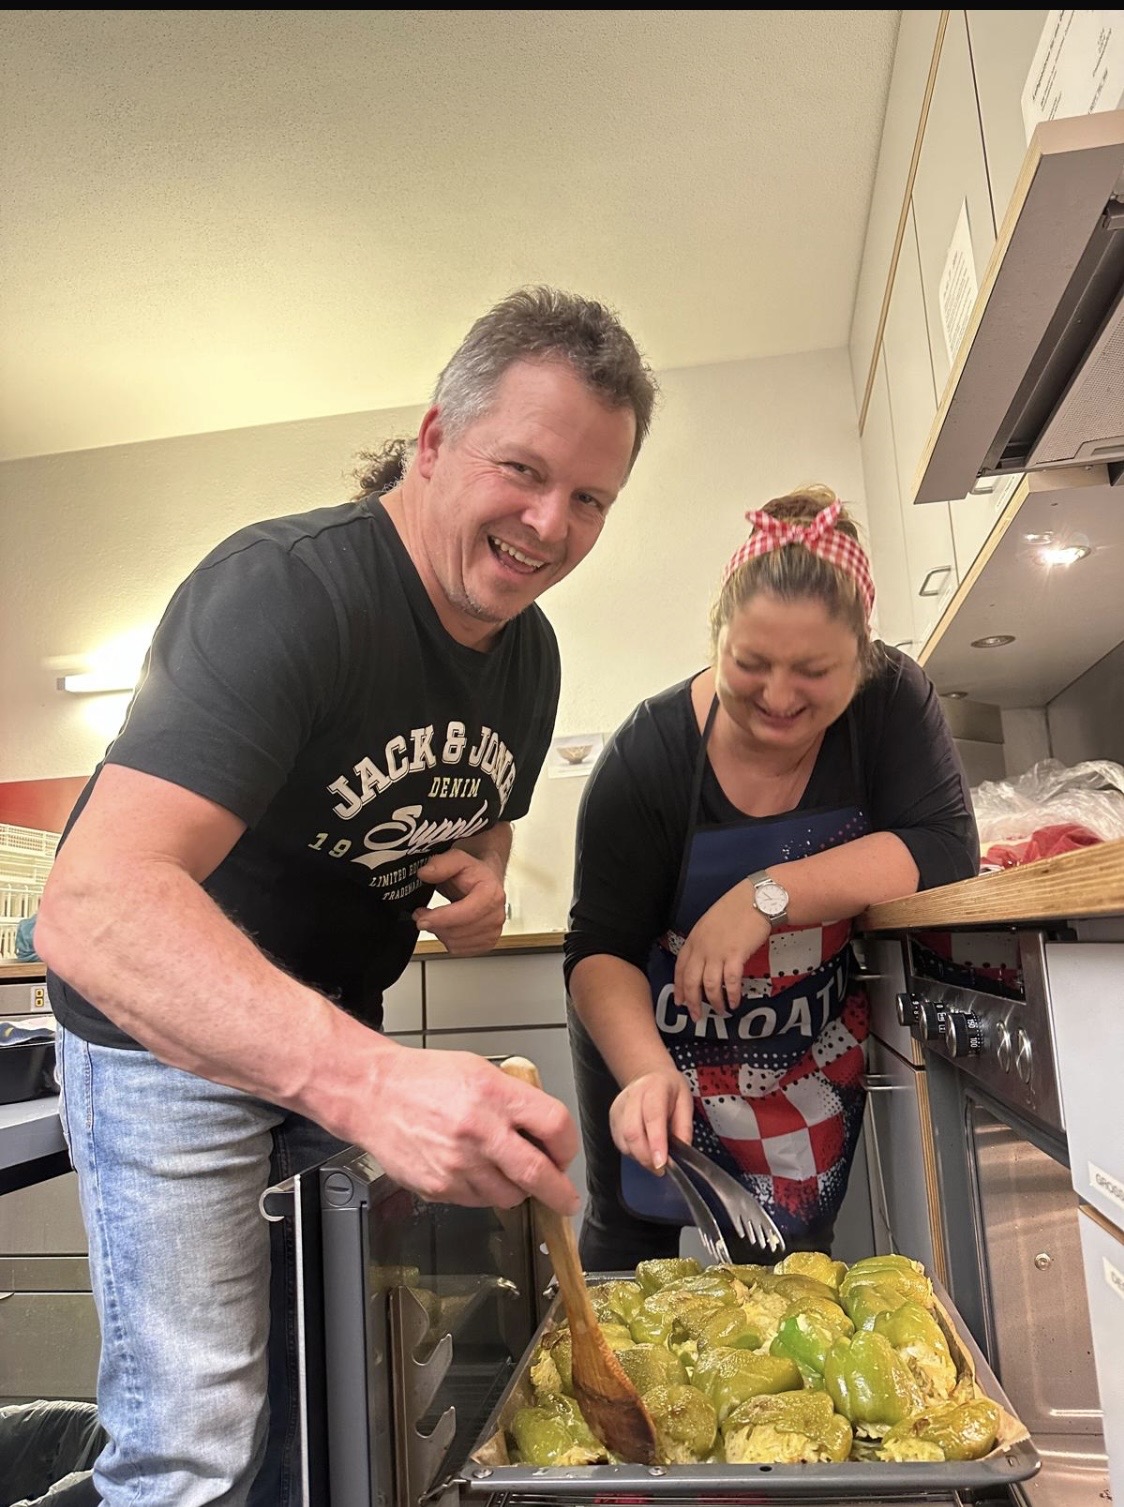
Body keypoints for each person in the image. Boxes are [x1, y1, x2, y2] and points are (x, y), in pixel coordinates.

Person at [34, 285, 658, 1507]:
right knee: (193, 1448)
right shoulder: (287, 591)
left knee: (330, 1412)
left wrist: (483, 877)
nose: (549, 524)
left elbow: (476, 809)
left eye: (589, 498)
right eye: (522, 470)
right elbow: (93, 907)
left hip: (329, 1026)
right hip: (168, 1048)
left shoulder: (528, 653)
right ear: (433, 440)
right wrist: (372, 1084)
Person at [564, 485, 979, 1272]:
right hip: (657, 1037)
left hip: (802, 1045)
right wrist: (646, 1073)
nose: (779, 697)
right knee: (631, 1243)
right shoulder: (647, 756)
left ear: (862, 660)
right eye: (749, 664)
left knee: (790, 1259)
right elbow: (599, 947)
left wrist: (766, 897)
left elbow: (945, 848)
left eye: (813, 671)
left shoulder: (892, 703)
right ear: (716, 636)